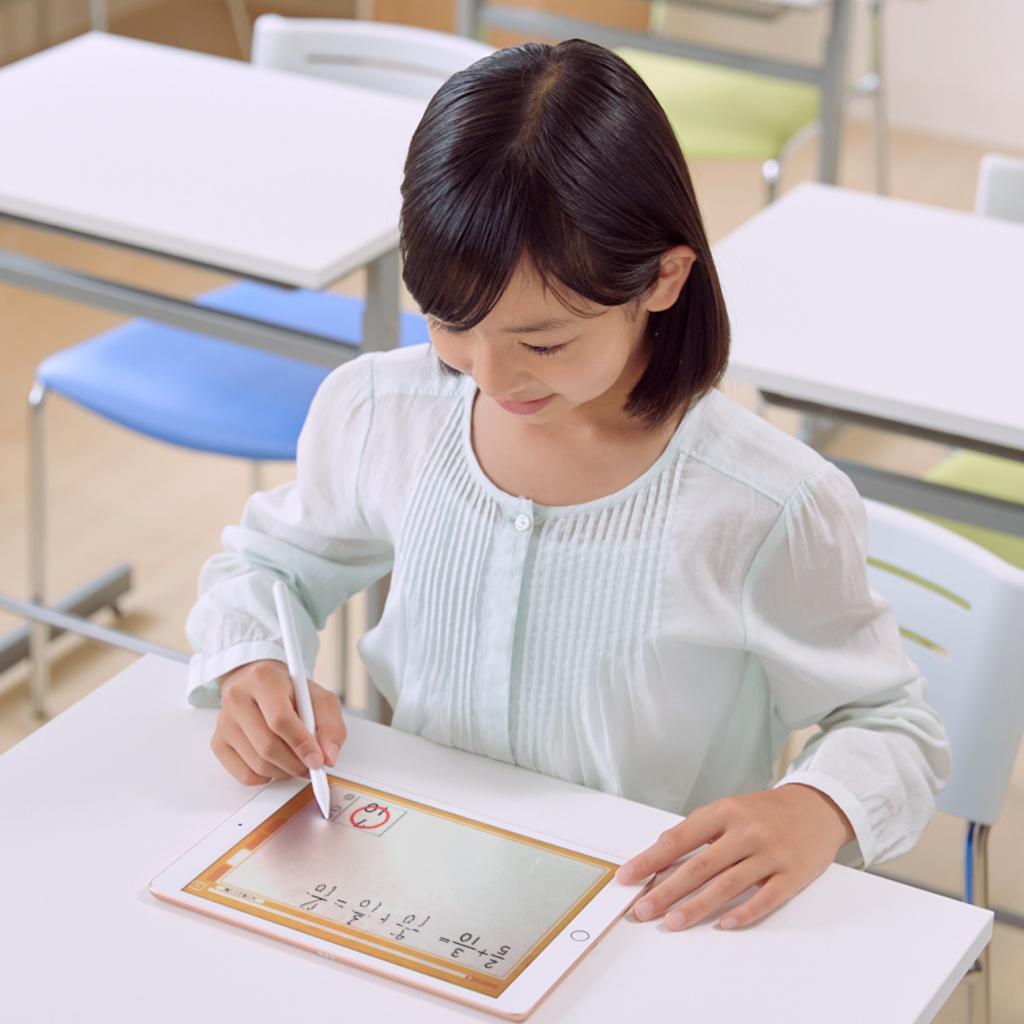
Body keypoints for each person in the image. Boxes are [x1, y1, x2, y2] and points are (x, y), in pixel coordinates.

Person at [186, 39, 950, 933]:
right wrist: (253, 660)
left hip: (641, 919)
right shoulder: (381, 411)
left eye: (543, 342)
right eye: (449, 324)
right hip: (413, 889)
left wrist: (816, 809)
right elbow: (268, 566)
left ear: (662, 278)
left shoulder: (766, 505)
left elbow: (893, 723)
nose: (489, 373)